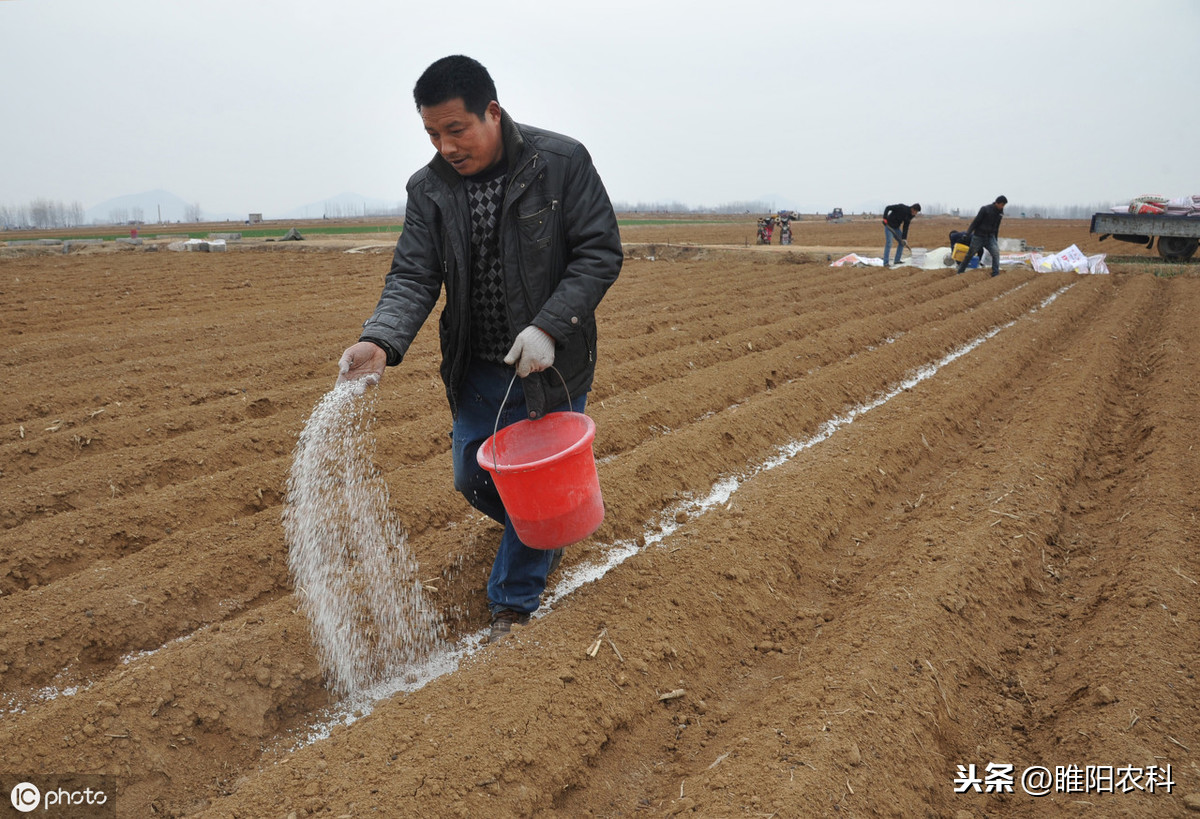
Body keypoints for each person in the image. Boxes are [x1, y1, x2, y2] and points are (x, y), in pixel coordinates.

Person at [335, 55, 623, 643]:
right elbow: (413, 276)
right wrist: (379, 341)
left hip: (550, 361)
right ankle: (545, 531)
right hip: (477, 365)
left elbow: (599, 253)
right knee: (473, 476)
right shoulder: (429, 190)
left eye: (456, 130)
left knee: (532, 478)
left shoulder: (561, 163)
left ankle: (512, 607)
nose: (445, 146)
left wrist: (548, 326)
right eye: (432, 134)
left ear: (491, 112)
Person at [956, 195, 1007, 276]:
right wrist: (967, 233)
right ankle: (960, 271)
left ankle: (995, 273)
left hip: (990, 237)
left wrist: (995, 239)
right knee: (970, 254)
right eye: (1002, 205)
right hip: (979, 236)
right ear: (997, 203)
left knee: (996, 253)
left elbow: (997, 226)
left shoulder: (1000, 213)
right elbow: (975, 222)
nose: (1003, 207)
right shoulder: (985, 209)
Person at [881, 202, 920, 267]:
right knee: (889, 243)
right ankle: (885, 263)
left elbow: (905, 227)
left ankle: (897, 260)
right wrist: (885, 218)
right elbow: (888, 208)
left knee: (902, 243)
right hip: (889, 226)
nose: (915, 214)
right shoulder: (901, 207)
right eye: (916, 212)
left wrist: (904, 238)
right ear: (913, 209)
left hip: (896, 228)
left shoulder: (910, 216)